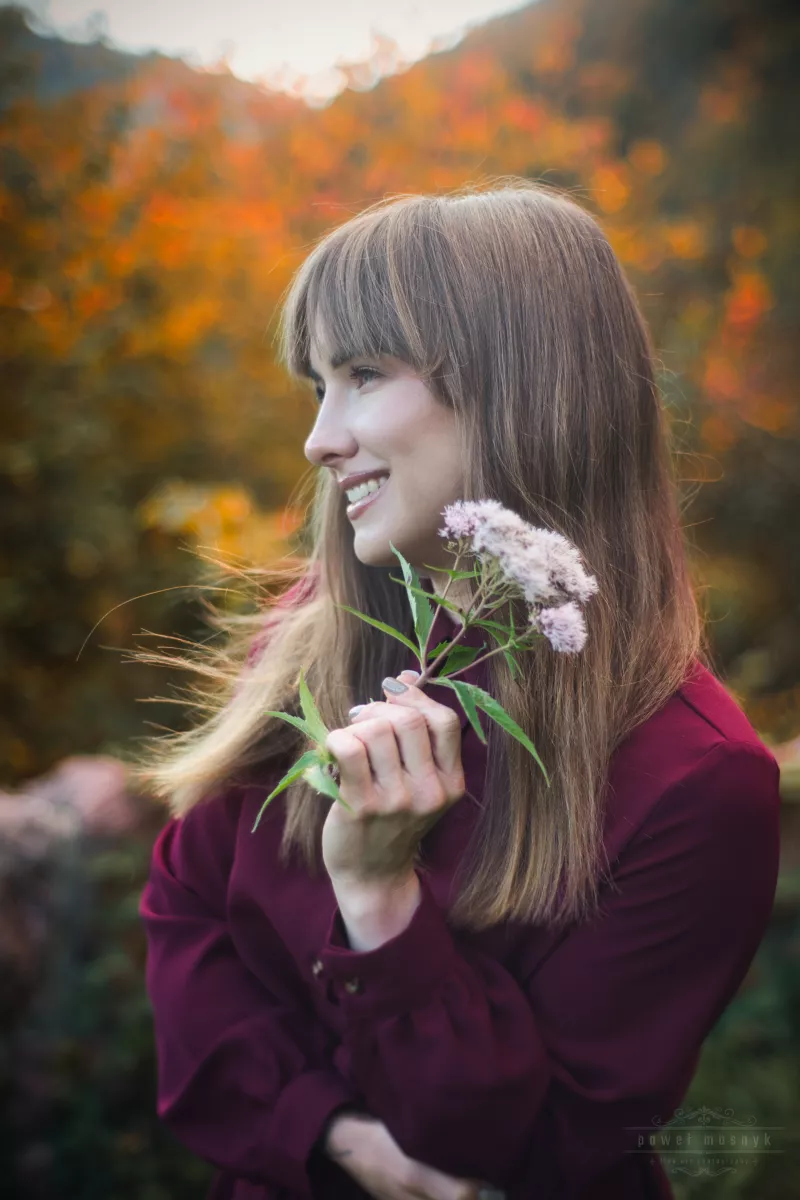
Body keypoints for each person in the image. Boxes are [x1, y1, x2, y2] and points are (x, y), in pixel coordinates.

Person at [135, 182, 781, 1200]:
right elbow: (184, 916)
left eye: (361, 375)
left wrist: (381, 901)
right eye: (317, 386)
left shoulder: (696, 778)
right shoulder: (310, 638)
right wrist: (335, 1136)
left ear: (517, 381)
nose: (319, 438)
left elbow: (527, 1149)